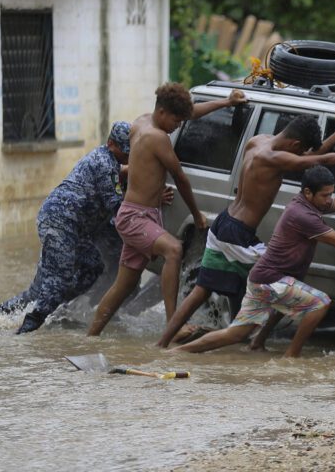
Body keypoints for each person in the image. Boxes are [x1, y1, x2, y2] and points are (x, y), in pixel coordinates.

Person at [156, 113, 335, 347]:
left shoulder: (258, 141)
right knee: (283, 279)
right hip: (239, 235)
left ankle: (162, 343)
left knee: (202, 290)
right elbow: (322, 160)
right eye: (300, 151)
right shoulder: (275, 158)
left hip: (224, 222)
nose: (302, 156)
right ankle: (252, 340)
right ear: (295, 144)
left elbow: (309, 158)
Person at [170, 165, 335, 357]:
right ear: (308, 193)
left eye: (330, 193)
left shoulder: (308, 204)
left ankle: (184, 352)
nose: (329, 200)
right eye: (325, 195)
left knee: (235, 334)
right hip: (269, 281)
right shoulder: (303, 215)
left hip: (267, 279)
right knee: (320, 304)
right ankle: (291, 357)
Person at [86, 83, 247, 337]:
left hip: (138, 213)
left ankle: (91, 337)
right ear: (162, 112)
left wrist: (226, 103)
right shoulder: (157, 138)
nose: (179, 125)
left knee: (123, 286)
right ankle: (174, 326)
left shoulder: (141, 122)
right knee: (174, 250)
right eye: (176, 120)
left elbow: (191, 113)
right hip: (136, 216)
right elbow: (180, 178)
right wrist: (196, 215)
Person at [0, 121, 133, 334]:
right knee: (61, 278)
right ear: (111, 143)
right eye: (125, 151)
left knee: (88, 268)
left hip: (72, 227)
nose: (127, 156)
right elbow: (116, 206)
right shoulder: (106, 164)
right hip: (60, 222)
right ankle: (26, 329)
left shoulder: (108, 160)